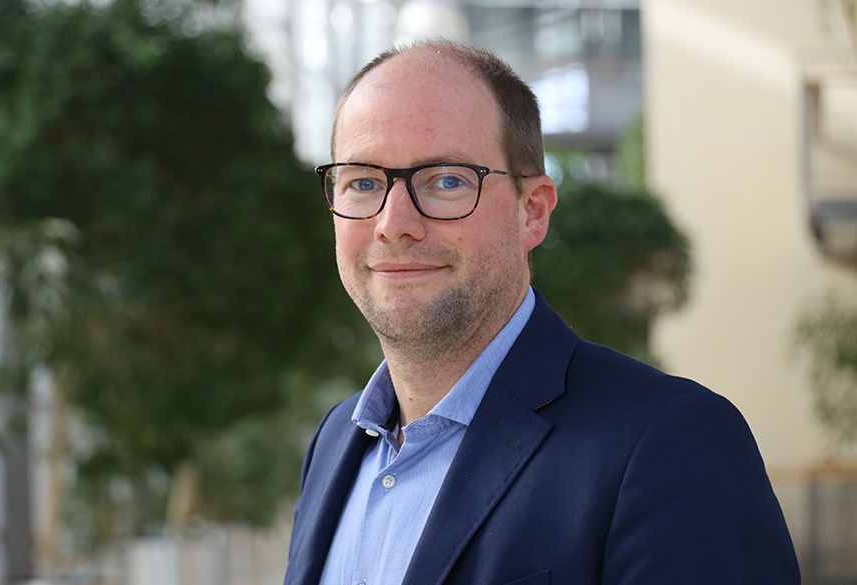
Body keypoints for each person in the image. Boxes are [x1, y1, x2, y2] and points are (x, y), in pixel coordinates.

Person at [283, 40, 800, 585]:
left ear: (533, 212)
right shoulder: (335, 442)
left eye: (446, 180)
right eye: (363, 182)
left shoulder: (673, 446)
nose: (394, 222)